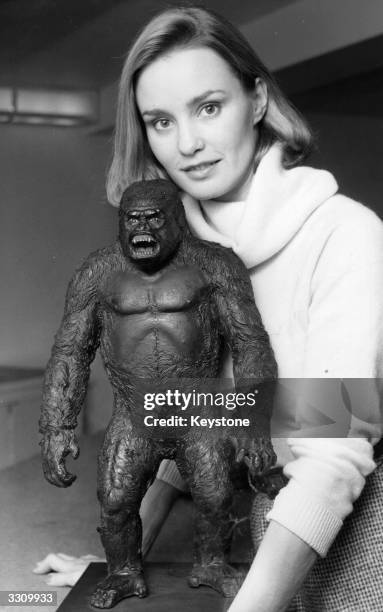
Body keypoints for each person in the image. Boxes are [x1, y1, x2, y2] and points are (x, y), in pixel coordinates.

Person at [34, 6, 383, 611]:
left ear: (256, 99)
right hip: (238, 543)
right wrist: (118, 560)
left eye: (209, 106)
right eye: (161, 121)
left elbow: (331, 455)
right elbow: (192, 410)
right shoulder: (170, 257)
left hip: (345, 551)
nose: (188, 143)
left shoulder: (345, 235)